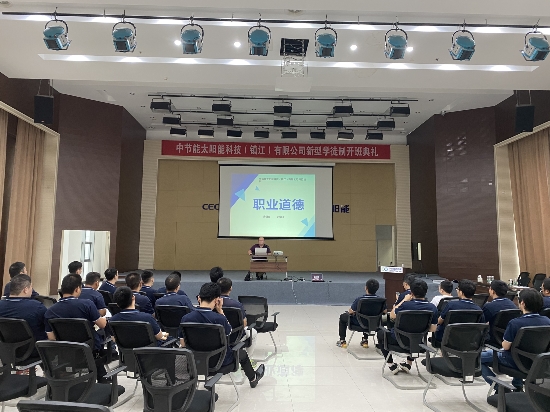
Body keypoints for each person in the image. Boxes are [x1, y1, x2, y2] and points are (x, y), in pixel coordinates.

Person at [180, 283, 265, 388]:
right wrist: (220, 311)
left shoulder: (186, 318)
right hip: (220, 362)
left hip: (194, 362)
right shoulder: (220, 319)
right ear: (217, 300)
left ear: (199, 298)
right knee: (242, 353)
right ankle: (253, 379)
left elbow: (183, 343)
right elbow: (228, 333)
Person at [481, 288, 550, 391]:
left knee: (477, 358)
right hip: (538, 361)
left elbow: (505, 346)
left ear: (522, 303)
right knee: (518, 351)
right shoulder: (547, 321)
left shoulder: (515, 323)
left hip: (514, 360)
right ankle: (517, 385)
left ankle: (498, 388)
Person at [44, 274, 109, 382]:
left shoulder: (50, 311)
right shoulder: (87, 304)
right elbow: (102, 325)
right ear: (77, 289)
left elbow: (51, 337)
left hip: (65, 351)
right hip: (88, 349)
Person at [376, 279, 438, 374]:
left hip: (398, 341)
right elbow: (433, 329)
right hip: (418, 344)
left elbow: (392, 315)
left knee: (381, 333)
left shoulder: (405, 305)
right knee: (415, 334)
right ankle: (408, 363)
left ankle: (391, 364)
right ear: (426, 292)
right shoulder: (432, 308)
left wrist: (404, 300)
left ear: (411, 293)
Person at [336, 278, 386, 349]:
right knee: (369, 316)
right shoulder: (381, 300)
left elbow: (350, 311)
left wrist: (355, 312)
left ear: (366, 288)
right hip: (375, 324)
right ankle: (365, 340)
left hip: (359, 324)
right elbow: (385, 311)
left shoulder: (360, 300)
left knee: (343, 317)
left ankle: (342, 341)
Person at [0, 274, 48, 343]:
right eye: (31, 287)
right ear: (25, 290)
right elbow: (49, 328)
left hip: (5, 348)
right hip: (33, 348)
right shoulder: (37, 307)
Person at [218, 277, 257, 357]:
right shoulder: (237, 305)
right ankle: (248, 358)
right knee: (253, 332)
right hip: (235, 337)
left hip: (217, 336)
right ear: (230, 288)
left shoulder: (213, 304)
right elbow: (244, 324)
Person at [482, 279, 518, 344]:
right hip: (510, 338)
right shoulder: (512, 304)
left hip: (493, 339)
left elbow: (481, 323)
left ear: (493, 291)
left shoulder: (489, 306)